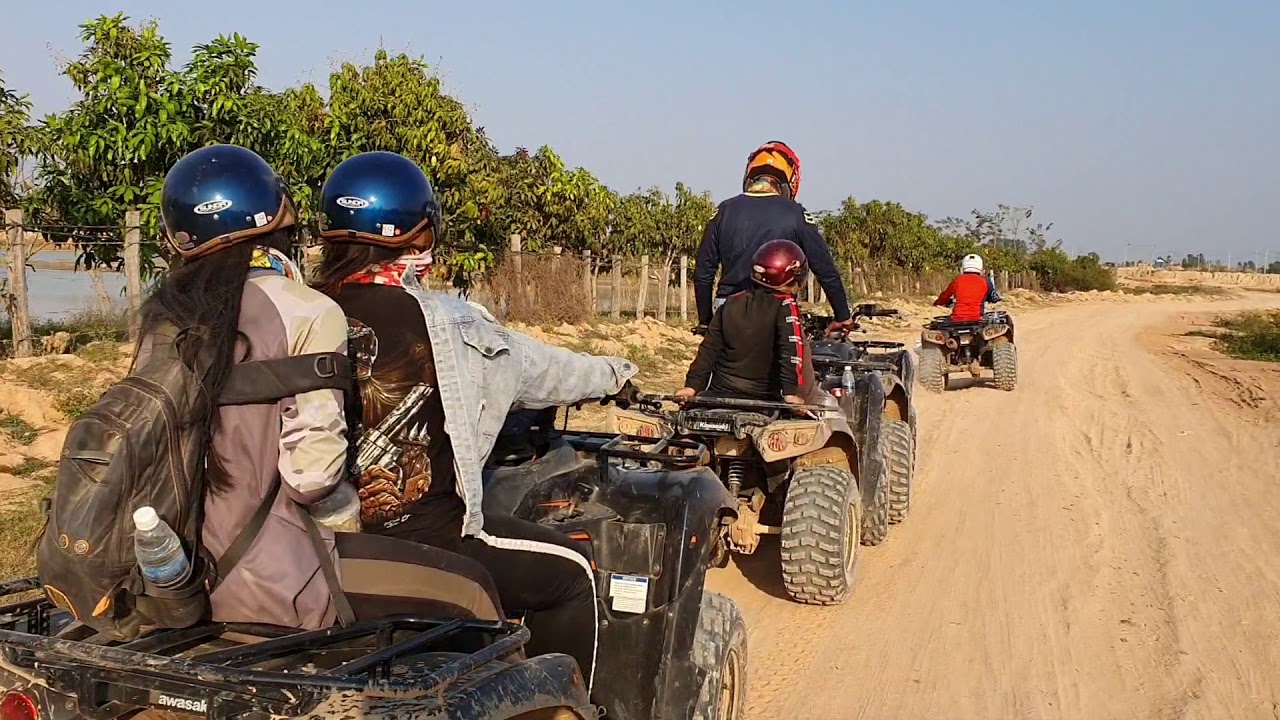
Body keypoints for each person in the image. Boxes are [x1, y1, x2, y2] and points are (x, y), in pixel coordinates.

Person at [310, 150, 639, 693]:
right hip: (429, 543)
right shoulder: (454, 322)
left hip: (319, 549)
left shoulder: (303, 312)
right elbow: (546, 370)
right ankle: (563, 705)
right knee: (574, 573)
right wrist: (617, 375)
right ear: (419, 235)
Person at [141, 144, 503, 631]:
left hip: (179, 573)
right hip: (281, 578)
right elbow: (311, 479)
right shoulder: (308, 311)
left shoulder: (163, 320)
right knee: (474, 591)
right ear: (278, 219)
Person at [694, 140, 853, 335]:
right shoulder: (796, 214)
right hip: (777, 311)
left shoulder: (723, 211)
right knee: (800, 363)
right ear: (790, 180)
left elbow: (703, 271)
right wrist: (842, 315)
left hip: (728, 310)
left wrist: (705, 321)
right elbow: (825, 268)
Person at [678, 239, 811, 405]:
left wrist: (692, 386)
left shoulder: (730, 302)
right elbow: (791, 350)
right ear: (794, 277)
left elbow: (708, 349)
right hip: (763, 398)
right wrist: (790, 393)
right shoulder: (785, 305)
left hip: (718, 393)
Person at [933, 253, 1004, 322]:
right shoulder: (986, 281)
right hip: (977, 319)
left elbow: (944, 296)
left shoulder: (957, 280)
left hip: (957, 320)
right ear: (980, 267)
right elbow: (994, 298)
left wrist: (937, 302)